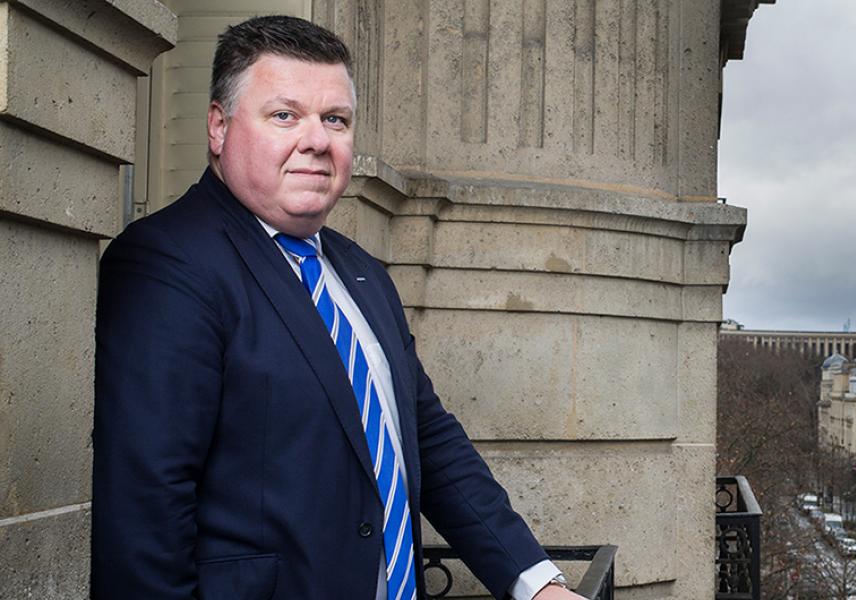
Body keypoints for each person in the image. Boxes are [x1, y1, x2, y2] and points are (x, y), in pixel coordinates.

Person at [91, 16, 582, 600]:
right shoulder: (167, 263)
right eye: (284, 115)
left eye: (335, 119)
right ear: (219, 128)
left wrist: (536, 583)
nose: (317, 140)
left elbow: (426, 440)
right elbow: (146, 510)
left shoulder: (362, 272)